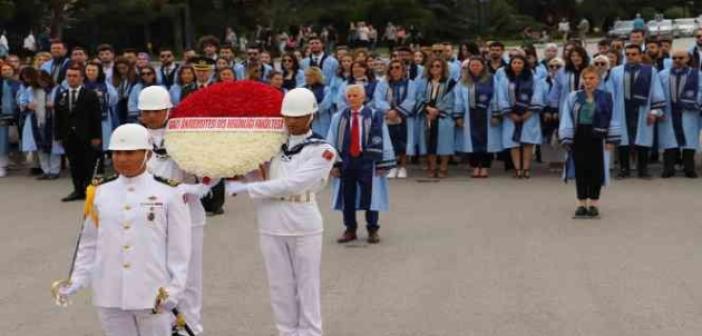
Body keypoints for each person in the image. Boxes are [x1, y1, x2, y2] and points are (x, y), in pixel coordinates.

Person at [52, 123, 191, 336]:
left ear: (148, 154)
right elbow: (89, 242)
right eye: (116, 153)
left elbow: (179, 249)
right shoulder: (99, 192)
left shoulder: (169, 193)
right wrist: (77, 279)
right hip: (109, 291)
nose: (122, 159)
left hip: (152, 291)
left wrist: (175, 288)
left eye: (129, 153)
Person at [224, 88, 334, 336]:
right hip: (270, 221)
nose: (291, 121)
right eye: (287, 116)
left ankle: (311, 333)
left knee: (307, 285)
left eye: (298, 116)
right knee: (279, 286)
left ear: (312, 116)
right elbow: (256, 171)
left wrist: (248, 188)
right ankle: (286, 332)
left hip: (302, 220)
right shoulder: (272, 145)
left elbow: (295, 183)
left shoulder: (322, 149)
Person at [139, 86, 213, 335]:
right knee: (156, 274)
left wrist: (198, 189)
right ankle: (163, 325)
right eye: (145, 111)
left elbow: (209, 169)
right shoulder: (136, 136)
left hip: (187, 214)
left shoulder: (185, 134)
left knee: (189, 277)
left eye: (156, 111)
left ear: (168, 110)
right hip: (150, 217)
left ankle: (189, 326)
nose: (150, 116)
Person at [328, 84, 394, 244]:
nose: (351, 98)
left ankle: (372, 229)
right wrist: (334, 164)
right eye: (349, 96)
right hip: (347, 161)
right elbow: (331, 139)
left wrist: (382, 164)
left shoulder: (374, 115)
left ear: (363, 97)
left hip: (368, 161)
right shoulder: (339, 117)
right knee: (347, 197)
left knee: (370, 196)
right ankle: (350, 229)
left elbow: (383, 138)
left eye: (355, 95)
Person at [560, 66, 620, 218]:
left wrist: (611, 139)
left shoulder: (606, 97)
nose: (588, 81)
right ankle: (581, 203)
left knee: (596, 170)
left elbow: (613, 117)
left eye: (591, 78)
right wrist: (567, 137)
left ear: (598, 80)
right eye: (585, 78)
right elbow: (566, 117)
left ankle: (594, 203)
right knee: (581, 170)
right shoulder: (574, 96)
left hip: (598, 137)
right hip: (579, 135)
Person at [607, 44, 666, 179]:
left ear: (640, 55)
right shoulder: (616, 71)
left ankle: (643, 170)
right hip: (622, 109)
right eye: (627, 54)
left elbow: (656, 92)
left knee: (643, 140)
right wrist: (610, 112)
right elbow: (610, 92)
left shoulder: (650, 71)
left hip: (642, 109)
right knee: (623, 141)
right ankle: (624, 169)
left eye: (634, 54)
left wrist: (655, 112)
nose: (630, 57)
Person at [54, 64, 103, 201]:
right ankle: (77, 190)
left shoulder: (90, 95)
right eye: (69, 76)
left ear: (82, 78)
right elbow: (58, 117)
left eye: (75, 76)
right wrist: (58, 135)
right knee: (74, 165)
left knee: (88, 163)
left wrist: (96, 136)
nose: (72, 79)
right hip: (69, 136)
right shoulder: (62, 95)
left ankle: (89, 190)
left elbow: (95, 117)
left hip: (86, 135)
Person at [497, 55, 545, 179]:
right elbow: (501, 97)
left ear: (524, 64)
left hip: (529, 115)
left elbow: (538, 95)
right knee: (514, 143)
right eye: (514, 63)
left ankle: (526, 168)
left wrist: (529, 112)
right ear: (510, 65)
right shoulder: (505, 80)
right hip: (511, 116)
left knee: (528, 142)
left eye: (519, 63)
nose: (517, 65)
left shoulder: (534, 79)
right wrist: (510, 113)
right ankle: (517, 168)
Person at [657, 50, 702, 178]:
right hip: (669, 113)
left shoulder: (697, 74)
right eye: (674, 58)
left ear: (688, 59)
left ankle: (689, 168)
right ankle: (668, 168)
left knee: (689, 142)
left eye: (681, 57)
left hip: (689, 113)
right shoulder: (663, 74)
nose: (677, 60)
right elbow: (658, 92)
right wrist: (658, 110)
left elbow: (701, 90)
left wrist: (694, 102)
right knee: (669, 142)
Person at [455, 57, 502, 178]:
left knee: (487, 143)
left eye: (478, 65)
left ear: (483, 66)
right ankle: (475, 167)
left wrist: (496, 114)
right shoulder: (463, 80)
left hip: (487, 114)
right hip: (469, 116)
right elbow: (458, 99)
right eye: (472, 65)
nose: (475, 67)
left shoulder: (491, 79)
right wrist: (458, 115)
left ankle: (485, 167)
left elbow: (496, 96)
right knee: (471, 143)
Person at [416, 57, 458, 178]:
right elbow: (418, 97)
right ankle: (432, 166)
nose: (435, 68)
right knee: (429, 141)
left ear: (443, 68)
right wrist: (428, 109)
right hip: (427, 115)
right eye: (432, 66)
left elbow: (451, 98)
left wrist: (438, 110)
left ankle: (444, 167)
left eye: (438, 66)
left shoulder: (450, 82)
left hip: (444, 116)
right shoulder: (424, 81)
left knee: (445, 142)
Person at [374, 60, 416, 179]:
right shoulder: (383, 84)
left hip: (404, 117)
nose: (394, 70)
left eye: (397, 68)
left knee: (404, 141)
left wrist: (397, 111)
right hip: (387, 116)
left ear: (403, 70)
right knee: (390, 141)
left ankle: (403, 167)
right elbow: (378, 99)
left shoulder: (410, 84)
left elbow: (411, 99)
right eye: (392, 68)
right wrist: (388, 110)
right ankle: (392, 166)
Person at [21, 70, 62, 179]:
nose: (40, 82)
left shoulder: (56, 89)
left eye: (42, 79)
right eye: (38, 80)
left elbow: (63, 103)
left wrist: (54, 104)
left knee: (54, 146)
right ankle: (46, 170)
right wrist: (28, 105)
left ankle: (54, 170)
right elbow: (22, 102)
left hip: (52, 121)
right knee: (40, 146)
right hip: (37, 121)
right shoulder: (31, 90)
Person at [0, 64, 20, 177]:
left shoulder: (17, 84)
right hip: (2, 115)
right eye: (3, 69)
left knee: (7, 141)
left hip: (11, 115)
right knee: (1, 142)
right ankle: (2, 165)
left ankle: (6, 164)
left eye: (8, 69)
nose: (6, 71)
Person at [303, 67, 333, 136]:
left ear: (317, 76)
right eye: (306, 76)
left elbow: (326, 104)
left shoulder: (326, 89)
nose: (307, 78)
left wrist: (312, 111)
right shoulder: (302, 88)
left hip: (320, 120)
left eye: (310, 76)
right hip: (305, 120)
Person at [111, 57, 137, 125]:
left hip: (130, 105)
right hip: (119, 105)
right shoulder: (114, 79)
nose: (122, 70)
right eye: (119, 68)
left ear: (129, 67)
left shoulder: (135, 78)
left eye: (124, 68)